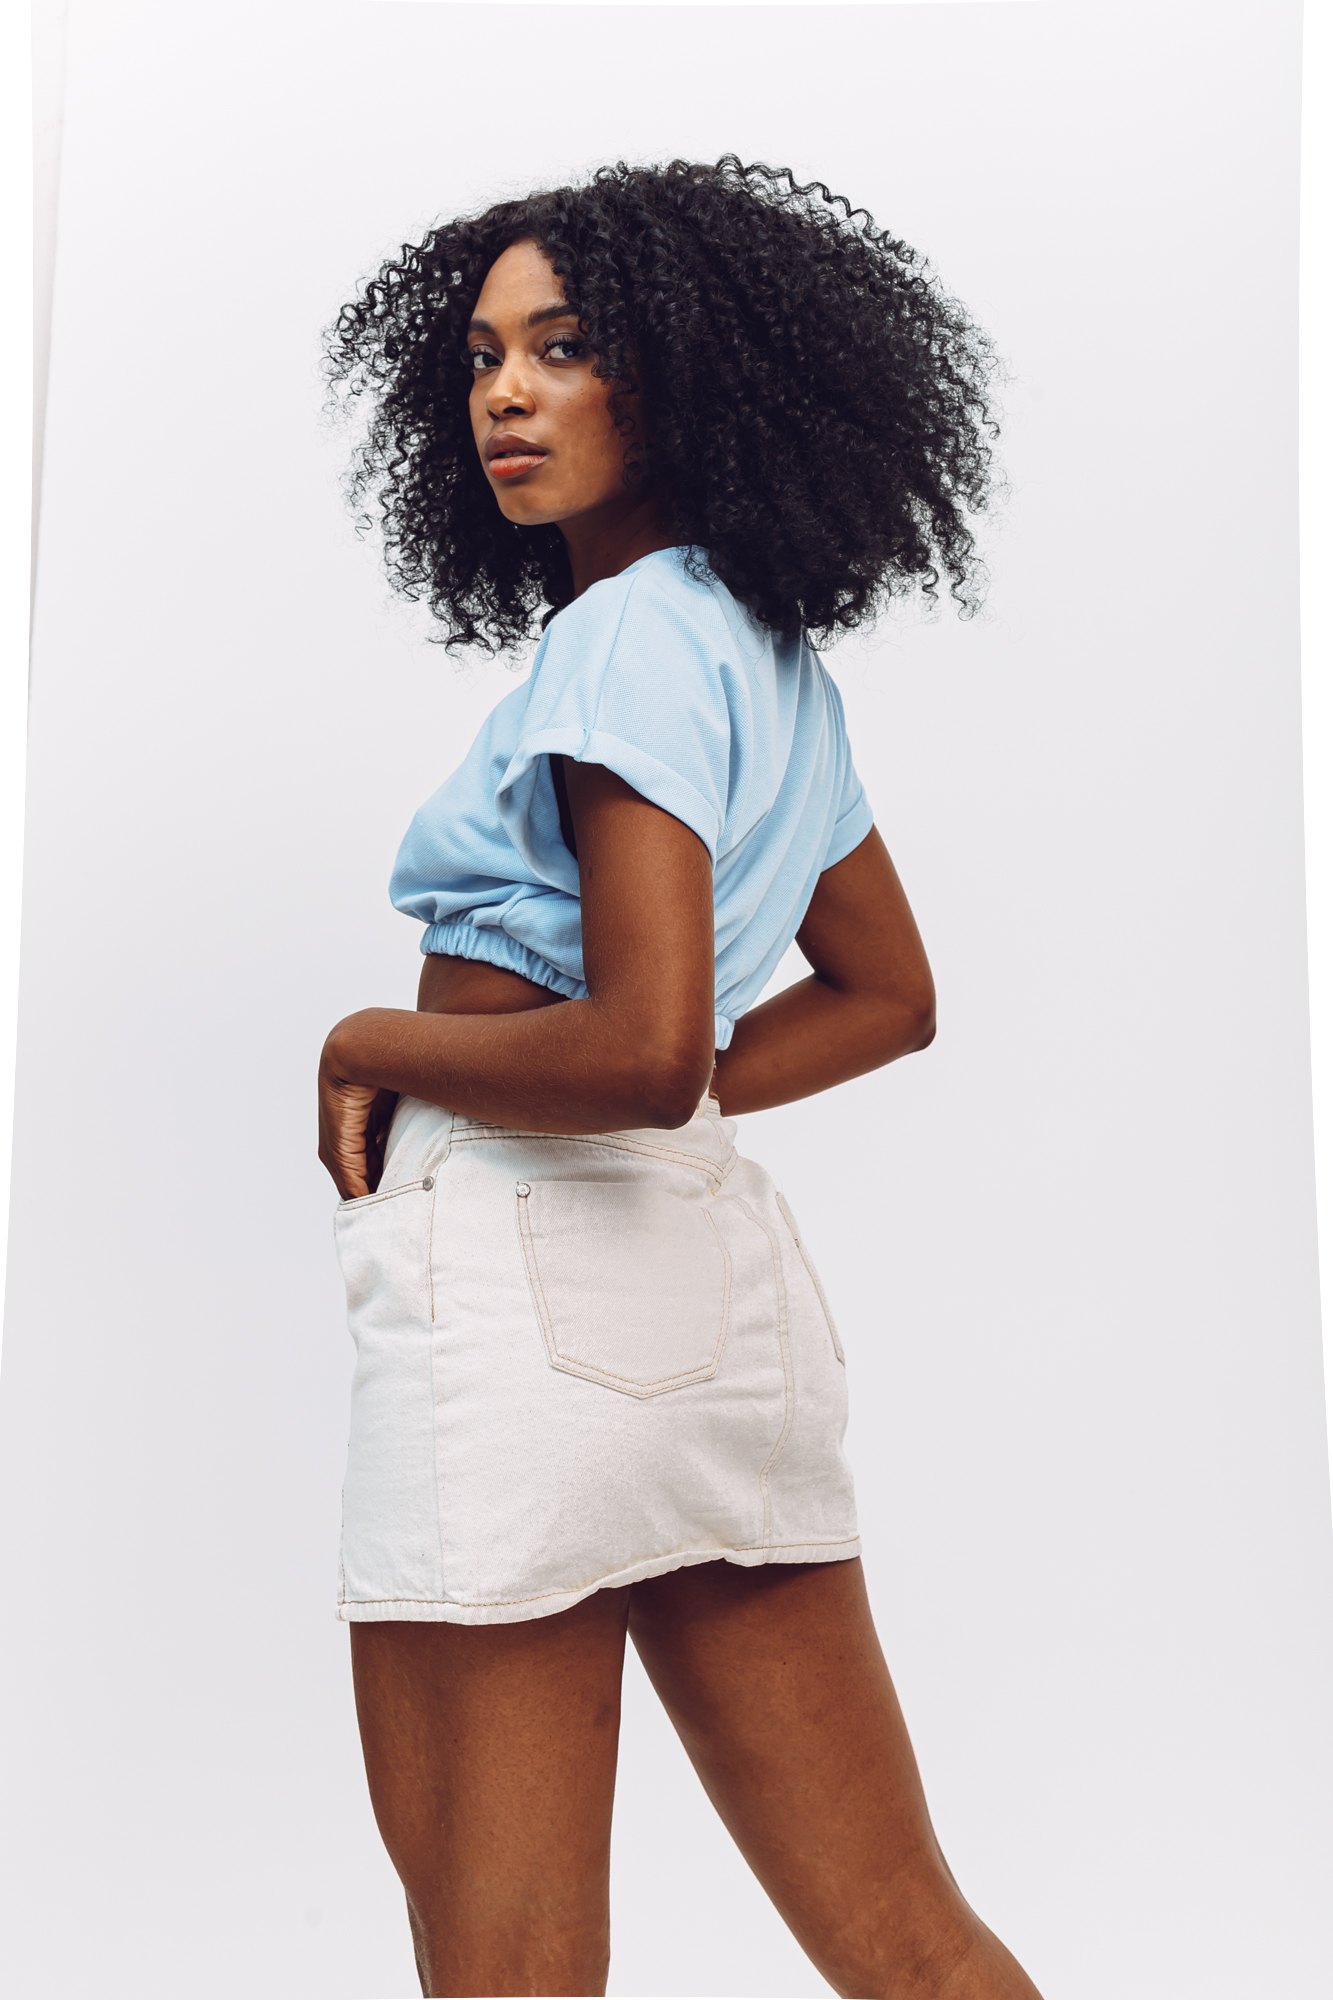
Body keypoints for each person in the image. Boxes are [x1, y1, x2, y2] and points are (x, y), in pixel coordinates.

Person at [320, 157, 1042, 2000]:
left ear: (687, 377)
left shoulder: (622, 638)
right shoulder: (757, 652)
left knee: (502, 1965)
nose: (505, 393)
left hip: (525, 1286)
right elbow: (884, 995)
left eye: (565, 348)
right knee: (909, 1942)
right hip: (708, 1284)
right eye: (483, 356)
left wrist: (368, 1043)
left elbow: (637, 1056)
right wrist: (689, 1072)